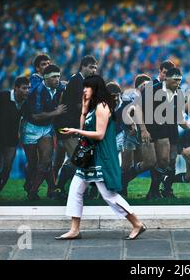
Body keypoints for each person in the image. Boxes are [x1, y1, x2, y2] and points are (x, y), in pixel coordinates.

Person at [56, 75, 146, 240]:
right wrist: (83, 111)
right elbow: (85, 126)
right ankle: (74, 229)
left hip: (99, 157)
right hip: (89, 158)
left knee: (108, 195)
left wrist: (76, 131)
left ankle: (136, 223)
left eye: (87, 87)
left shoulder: (102, 107)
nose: (84, 90)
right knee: (75, 190)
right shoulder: (93, 107)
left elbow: (99, 134)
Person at [138, 66, 190, 199]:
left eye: (179, 80)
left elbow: (179, 116)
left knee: (169, 161)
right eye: (175, 80)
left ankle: (159, 191)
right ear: (166, 78)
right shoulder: (152, 89)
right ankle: (128, 181)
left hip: (170, 130)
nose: (178, 82)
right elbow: (138, 110)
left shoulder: (179, 93)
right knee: (158, 161)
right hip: (153, 130)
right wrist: (143, 129)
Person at [20, 64, 67, 201]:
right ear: (45, 79)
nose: (57, 79)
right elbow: (36, 116)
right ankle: (31, 184)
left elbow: (67, 86)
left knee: (46, 160)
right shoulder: (38, 91)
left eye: (58, 76)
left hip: (46, 128)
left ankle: (33, 191)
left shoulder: (58, 86)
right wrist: (56, 112)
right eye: (54, 77)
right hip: (31, 128)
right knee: (33, 163)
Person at [54, 56, 98, 196]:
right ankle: (63, 188)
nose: (94, 70)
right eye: (91, 67)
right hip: (67, 125)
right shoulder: (77, 81)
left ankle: (61, 187)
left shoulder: (82, 81)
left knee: (77, 158)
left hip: (73, 125)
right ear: (83, 66)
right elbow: (81, 106)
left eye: (95, 68)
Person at [0, 76, 30, 203]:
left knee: (7, 168)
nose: (27, 91)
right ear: (16, 88)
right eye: (24, 88)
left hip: (11, 140)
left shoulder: (26, 103)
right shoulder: (1, 96)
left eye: (28, 88)